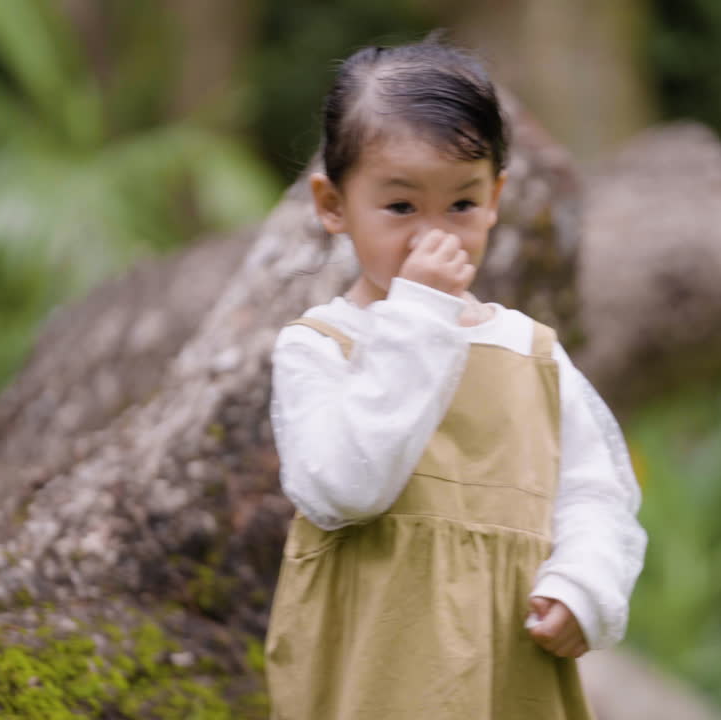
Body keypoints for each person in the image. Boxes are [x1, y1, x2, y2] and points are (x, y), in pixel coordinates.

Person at [264, 37, 647, 720]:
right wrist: (419, 319)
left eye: (461, 206)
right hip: (373, 671)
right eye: (401, 208)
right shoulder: (322, 348)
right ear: (333, 204)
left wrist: (585, 585)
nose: (432, 235)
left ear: (496, 197)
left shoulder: (530, 353)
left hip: (506, 675)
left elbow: (598, 493)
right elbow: (344, 488)